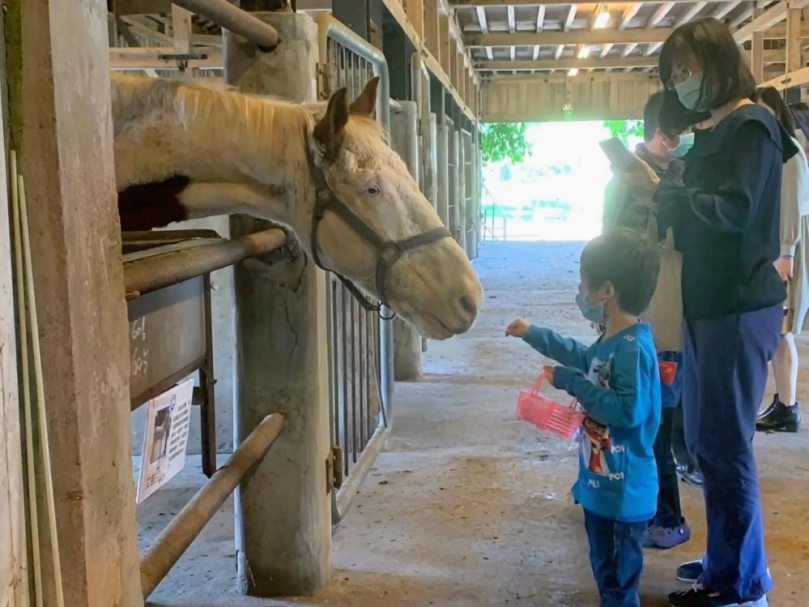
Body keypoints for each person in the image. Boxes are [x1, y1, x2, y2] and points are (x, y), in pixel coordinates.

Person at [624, 17, 796, 607]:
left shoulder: (751, 126)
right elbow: (702, 209)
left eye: (686, 70)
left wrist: (675, 192)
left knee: (723, 447)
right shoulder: (720, 129)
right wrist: (662, 184)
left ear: (718, 64)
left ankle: (740, 582)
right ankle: (728, 559)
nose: (680, 82)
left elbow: (735, 213)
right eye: (673, 75)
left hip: (737, 305)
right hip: (710, 305)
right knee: (705, 440)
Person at [506, 228, 662, 607]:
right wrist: (534, 334)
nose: (581, 289)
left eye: (584, 281)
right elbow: (582, 355)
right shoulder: (612, 340)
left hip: (624, 496)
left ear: (606, 290)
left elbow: (628, 411)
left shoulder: (633, 350)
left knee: (617, 585)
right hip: (602, 486)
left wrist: (574, 384)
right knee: (606, 575)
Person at [602, 91, 693, 550]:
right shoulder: (623, 183)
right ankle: (631, 503)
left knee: (662, 424)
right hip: (636, 322)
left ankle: (666, 514)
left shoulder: (684, 178)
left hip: (672, 323)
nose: (681, 142)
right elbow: (607, 247)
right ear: (658, 133)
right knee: (634, 420)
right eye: (676, 133)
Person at [754, 87, 809, 434]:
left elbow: (792, 205)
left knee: (782, 330)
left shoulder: (789, 153)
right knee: (778, 331)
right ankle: (784, 404)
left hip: (785, 249)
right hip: (781, 246)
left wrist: (785, 252)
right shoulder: (779, 150)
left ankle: (787, 407)